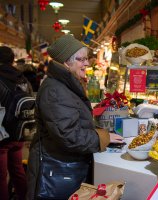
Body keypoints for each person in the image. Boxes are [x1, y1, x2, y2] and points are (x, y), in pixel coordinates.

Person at [26, 35, 123, 199]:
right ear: (66, 62)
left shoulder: (64, 83)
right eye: (82, 59)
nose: (87, 63)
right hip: (57, 168)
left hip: (64, 163)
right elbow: (68, 135)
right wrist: (102, 137)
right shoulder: (55, 91)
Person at [0, 46, 28, 200]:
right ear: (12, 60)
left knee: (1, 177)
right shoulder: (21, 77)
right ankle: (24, 197)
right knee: (17, 171)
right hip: (19, 132)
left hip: (2, 135)